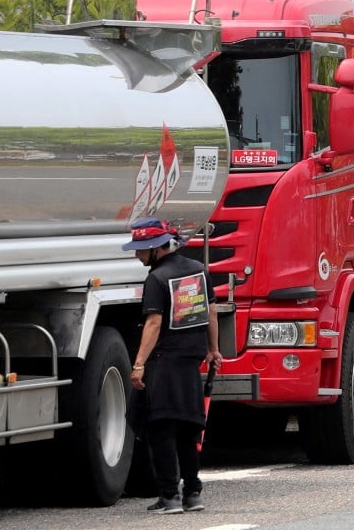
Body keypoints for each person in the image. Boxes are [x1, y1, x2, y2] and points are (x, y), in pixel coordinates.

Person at [124, 216, 223, 515]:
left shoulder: (156, 278)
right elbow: (212, 313)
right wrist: (213, 350)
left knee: (160, 429)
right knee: (188, 429)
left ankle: (169, 497)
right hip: (190, 363)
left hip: (163, 364)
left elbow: (154, 323)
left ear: (158, 248)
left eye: (142, 248)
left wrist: (139, 364)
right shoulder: (198, 271)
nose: (138, 253)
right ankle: (193, 493)